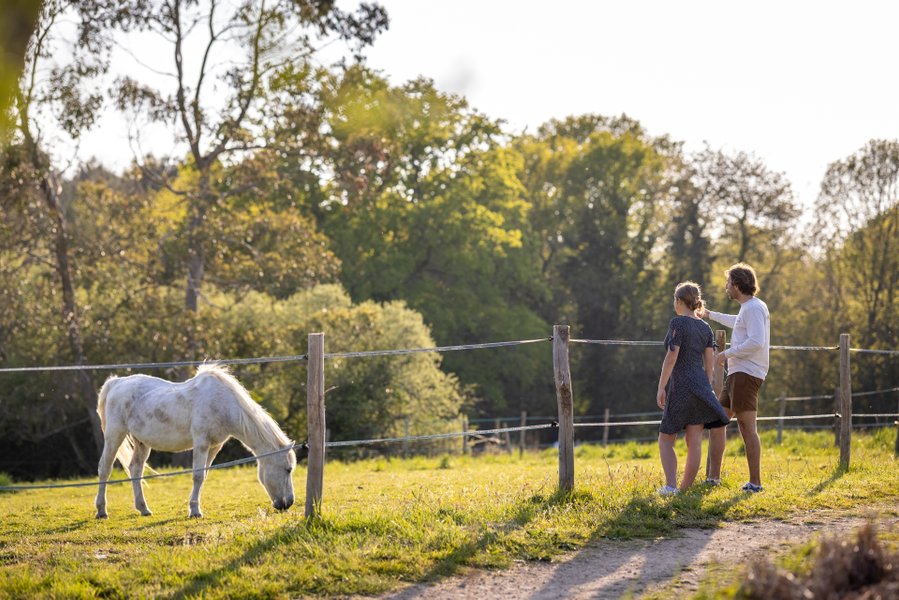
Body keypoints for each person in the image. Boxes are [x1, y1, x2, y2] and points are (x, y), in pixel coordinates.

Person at [700, 263, 770, 493]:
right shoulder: (748, 308)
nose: (726, 287)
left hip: (746, 375)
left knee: (747, 428)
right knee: (718, 422)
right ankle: (713, 478)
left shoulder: (753, 309)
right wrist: (709, 315)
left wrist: (725, 354)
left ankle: (756, 483)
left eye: (728, 283)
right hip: (737, 375)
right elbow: (737, 323)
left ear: (737, 285)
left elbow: (756, 341)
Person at [656, 282, 730, 496]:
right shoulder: (704, 327)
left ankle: (671, 487)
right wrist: (706, 388)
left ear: (679, 301)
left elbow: (671, 357)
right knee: (694, 440)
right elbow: (710, 363)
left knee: (666, 437)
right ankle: (685, 489)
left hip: (681, 386)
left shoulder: (677, 323)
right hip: (700, 385)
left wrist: (662, 387)